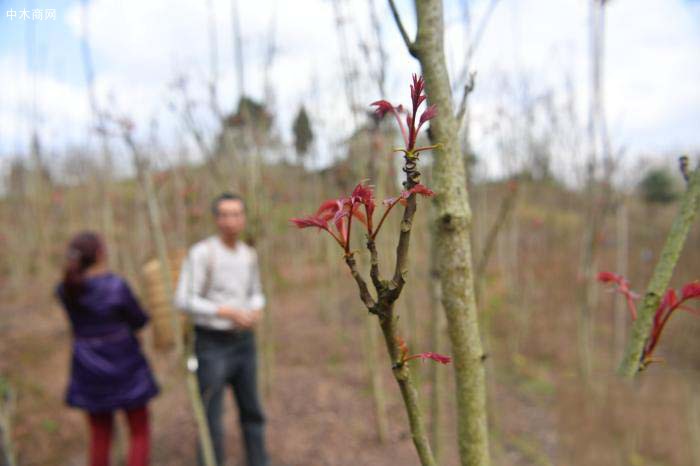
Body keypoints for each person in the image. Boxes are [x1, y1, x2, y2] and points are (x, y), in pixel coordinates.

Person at [175, 192, 269, 466]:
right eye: (225, 215)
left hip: (244, 342)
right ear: (216, 219)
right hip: (211, 343)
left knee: (252, 410)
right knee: (211, 416)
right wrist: (226, 312)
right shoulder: (202, 253)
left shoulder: (248, 254)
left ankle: (259, 460)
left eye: (236, 214)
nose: (231, 221)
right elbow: (183, 299)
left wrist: (256, 309)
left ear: (243, 218)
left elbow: (256, 292)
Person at [55, 231, 159, 466]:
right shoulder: (115, 286)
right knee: (139, 430)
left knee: (100, 434)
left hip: (88, 366)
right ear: (100, 254)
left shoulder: (66, 289)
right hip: (125, 364)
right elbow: (139, 319)